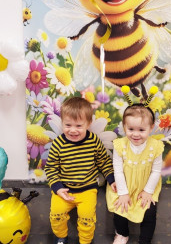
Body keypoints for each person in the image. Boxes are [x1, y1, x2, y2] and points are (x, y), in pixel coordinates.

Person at [45, 97, 117, 244]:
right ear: (62, 123)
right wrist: (58, 188)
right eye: (68, 125)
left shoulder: (93, 141)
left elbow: (103, 161)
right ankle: (61, 237)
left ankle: (85, 241)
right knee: (56, 215)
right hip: (64, 189)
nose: (72, 130)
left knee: (87, 219)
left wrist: (111, 179)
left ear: (88, 124)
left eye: (78, 125)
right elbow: (51, 167)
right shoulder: (58, 144)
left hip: (87, 190)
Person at [106, 103, 164, 244]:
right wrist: (123, 193)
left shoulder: (156, 147)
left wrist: (148, 191)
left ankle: (145, 240)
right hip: (124, 184)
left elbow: (156, 171)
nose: (136, 134)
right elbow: (118, 171)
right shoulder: (120, 145)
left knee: (149, 211)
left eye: (141, 130)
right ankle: (122, 234)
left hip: (145, 185)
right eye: (131, 129)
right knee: (120, 208)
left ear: (151, 128)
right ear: (124, 126)